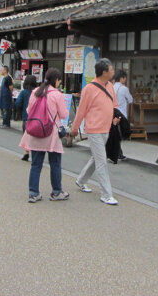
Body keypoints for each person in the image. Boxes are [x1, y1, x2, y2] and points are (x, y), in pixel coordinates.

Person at [71, 58, 121, 205]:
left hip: (106, 128)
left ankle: (81, 180)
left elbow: (114, 105)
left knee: (97, 157)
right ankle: (106, 194)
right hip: (93, 129)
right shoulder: (89, 89)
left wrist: (116, 117)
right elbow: (81, 111)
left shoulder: (110, 86)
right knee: (101, 161)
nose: (113, 72)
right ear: (104, 72)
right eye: (111, 70)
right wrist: (75, 129)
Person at [19, 68, 69, 203]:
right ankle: (56, 192)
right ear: (56, 80)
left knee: (36, 164)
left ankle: (33, 193)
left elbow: (28, 110)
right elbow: (64, 114)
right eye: (59, 80)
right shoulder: (57, 94)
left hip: (35, 131)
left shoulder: (35, 92)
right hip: (51, 132)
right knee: (55, 163)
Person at [15, 74, 37, 161]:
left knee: (26, 135)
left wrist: (20, 111)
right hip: (36, 118)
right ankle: (34, 153)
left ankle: (26, 152)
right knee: (35, 136)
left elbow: (18, 103)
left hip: (26, 117)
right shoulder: (37, 92)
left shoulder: (23, 92)